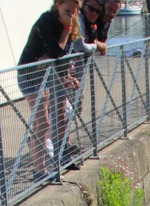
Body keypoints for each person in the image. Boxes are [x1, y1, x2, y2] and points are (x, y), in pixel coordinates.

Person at [18, 0, 83, 177]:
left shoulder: (72, 23)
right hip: (29, 76)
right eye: (67, 10)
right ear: (57, 5)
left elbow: (62, 57)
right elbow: (56, 52)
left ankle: (62, 157)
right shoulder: (46, 21)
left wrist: (67, 77)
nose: (71, 15)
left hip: (49, 75)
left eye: (75, 11)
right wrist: (67, 29)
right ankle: (39, 170)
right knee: (43, 122)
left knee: (61, 116)